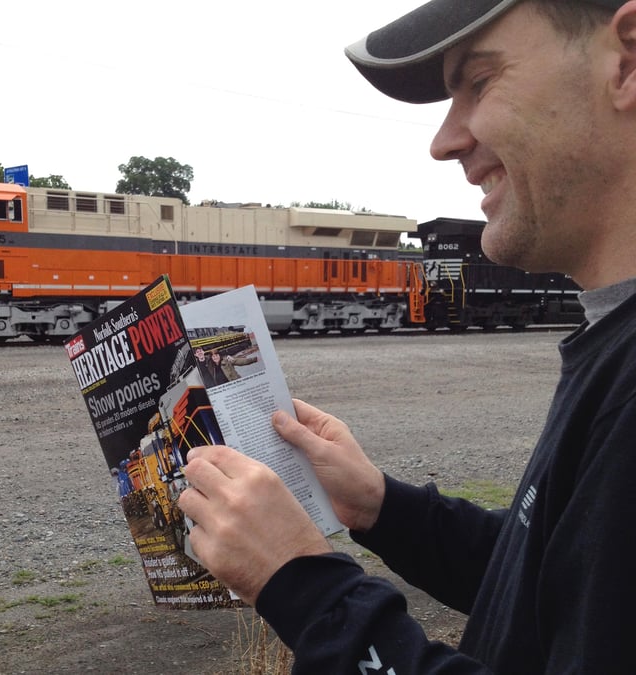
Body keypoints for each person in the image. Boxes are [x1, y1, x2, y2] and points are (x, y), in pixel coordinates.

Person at [178, 1, 636, 672]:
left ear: (627, 61)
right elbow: (564, 585)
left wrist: (303, 585)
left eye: (479, 81)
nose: (442, 141)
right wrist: (383, 507)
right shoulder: (614, 340)